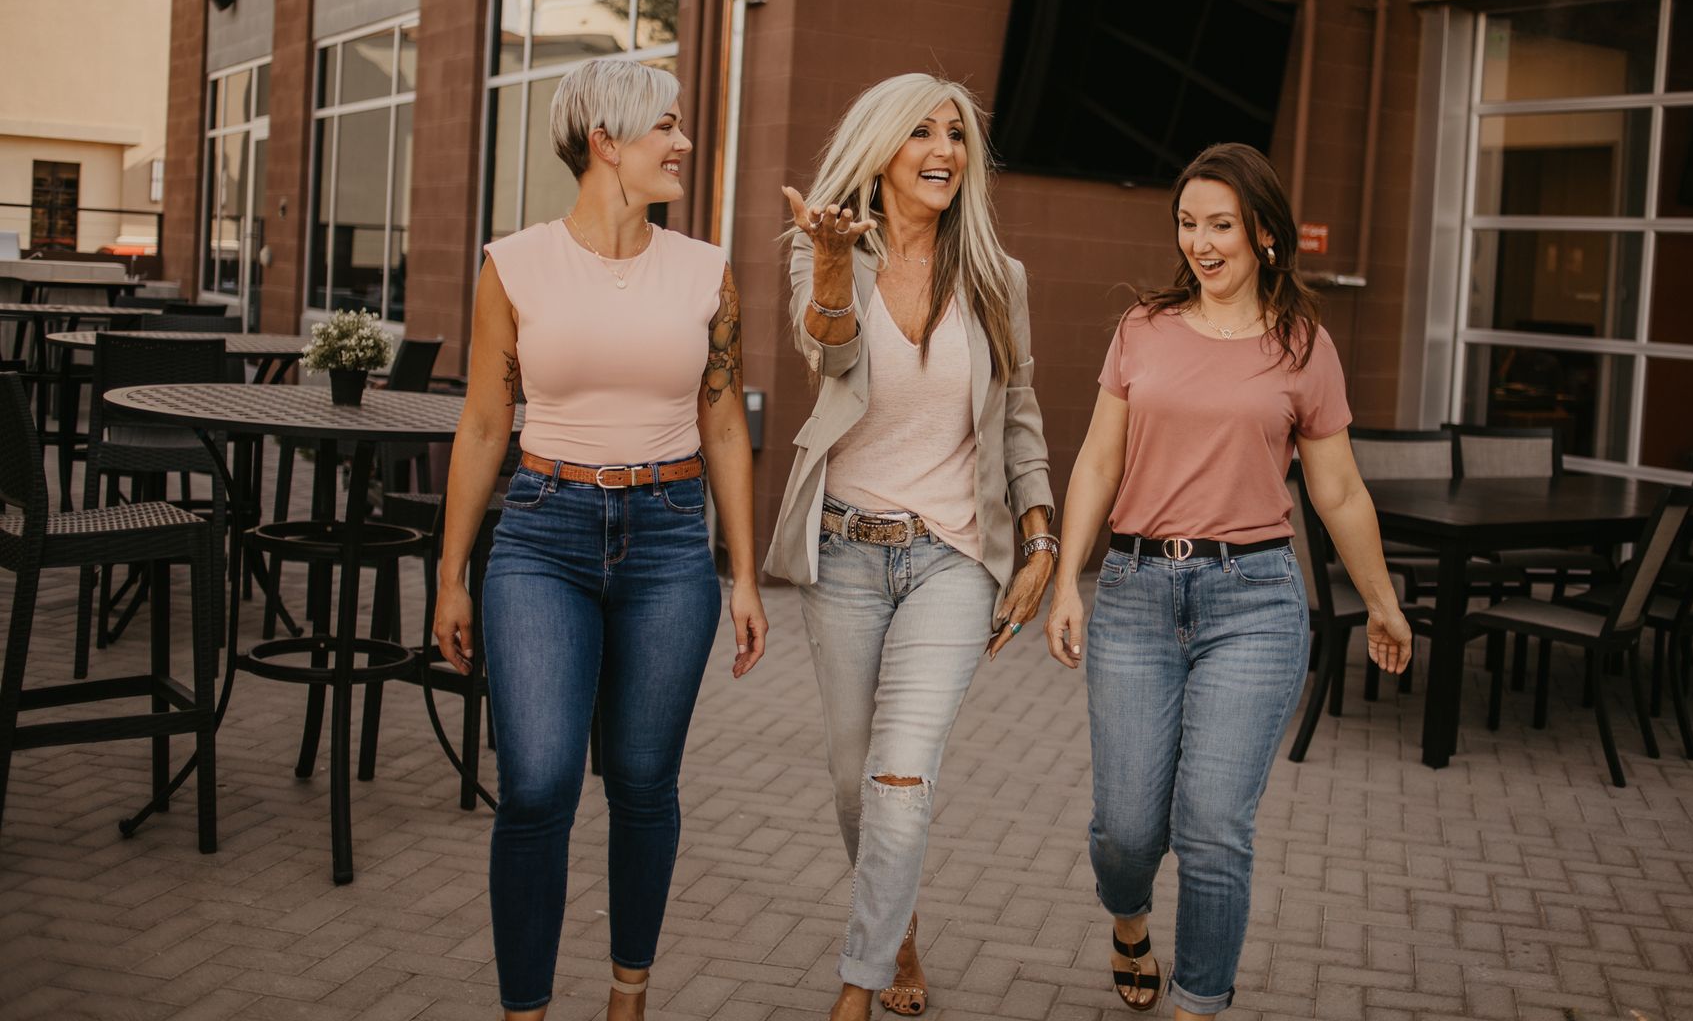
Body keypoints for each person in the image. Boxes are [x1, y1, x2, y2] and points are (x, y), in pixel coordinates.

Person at [432, 58, 769, 1021]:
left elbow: (721, 424)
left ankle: (629, 996)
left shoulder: (706, 269)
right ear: (605, 143)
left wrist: (743, 573)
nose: (683, 142)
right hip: (543, 535)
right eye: (665, 125)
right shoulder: (516, 263)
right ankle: (525, 1011)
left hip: (668, 544)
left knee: (642, 781)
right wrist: (452, 573)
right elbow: (485, 423)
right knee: (536, 783)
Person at [1045, 143, 1412, 1018]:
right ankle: (1128, 920)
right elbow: (1099, 460)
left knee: (1213, 828)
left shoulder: (1301, 347)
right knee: (1129, 829)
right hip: (1134, 593)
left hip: (1253, 603)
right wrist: (1068, 579)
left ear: (1265, 237)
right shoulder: (1142, 328)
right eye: (1188, 224)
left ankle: (1199, 1002)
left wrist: (1385, 604)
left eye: (1221, 226)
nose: (1201, 243)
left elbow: (1338, 490)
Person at [764, 74, 1055, 1021]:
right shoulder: (823, 250)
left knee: (900, 776)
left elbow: (1018, 418)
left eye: (958, 135)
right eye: (923, 132)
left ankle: (861, 977)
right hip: (845, 551)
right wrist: (840, 267)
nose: (945, 150)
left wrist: (1042, 533)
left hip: (951, 560)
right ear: (882, 150)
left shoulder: (996, 277)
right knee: (856, 781)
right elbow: (830, 354)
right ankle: (902, 924)